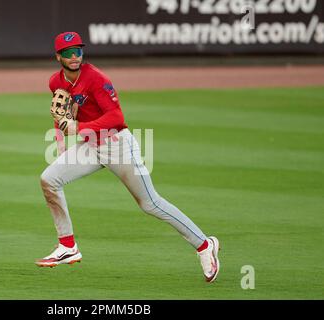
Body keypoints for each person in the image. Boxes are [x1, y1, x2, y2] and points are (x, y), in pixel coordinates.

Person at [36, 32, 221, 282]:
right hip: (90, 146)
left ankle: (204, 245)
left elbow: (116, 118)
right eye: (68, 53)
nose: (74, 56)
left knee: (150, 203)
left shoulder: (97, 79)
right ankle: (68, 247)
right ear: (58, 56)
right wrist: (61, 145)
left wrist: (78, 129)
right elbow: (62, 117)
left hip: (117, 145)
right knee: (49, 179)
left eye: (78, 51)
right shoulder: (55, 82)